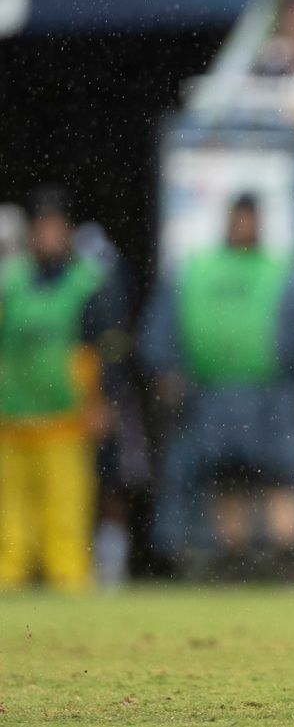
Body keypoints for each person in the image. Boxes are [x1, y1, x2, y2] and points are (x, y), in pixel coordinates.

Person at [141, 193, 294, 579]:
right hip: (212, 396)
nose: (243, 227)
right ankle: (234, 560)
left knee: (280, 478)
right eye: (238, 219)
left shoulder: (279, 270)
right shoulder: (197, 270)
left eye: (250, 219)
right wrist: (167, 374)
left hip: (272, 396)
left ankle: (290, 563)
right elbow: (163, 330)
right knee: (224, 479)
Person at [0, 187, 128, 592]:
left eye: (55, 228)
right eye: (41, 229)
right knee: (10, 515)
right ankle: (9, 582)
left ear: (69, 232)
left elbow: (104, 352)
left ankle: (68, 584)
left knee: (66, 512)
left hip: (65, 419)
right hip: (12, 416)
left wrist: (103, 402)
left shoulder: (87, 284)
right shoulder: (10, 283)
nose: (48, 237)